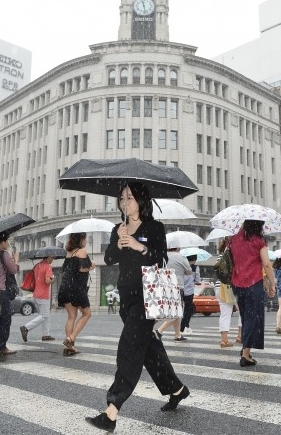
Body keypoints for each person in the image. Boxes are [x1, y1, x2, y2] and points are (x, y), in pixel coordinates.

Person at [85, 182, 189, 432]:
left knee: (129, 349)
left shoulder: (154, 228)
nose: (124, 203)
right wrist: (118, 245)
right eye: (121, 199)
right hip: (127, 298)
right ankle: (176, 389)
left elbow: (162, 257)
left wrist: (138, 245)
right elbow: (109, 259)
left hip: (148, 297)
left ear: (141, 201)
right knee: (148, 348)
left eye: (129, 198)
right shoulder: (117, 229)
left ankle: (112, 410)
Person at [229, 219, 276, 367]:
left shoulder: (234, 239)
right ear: (259, 226)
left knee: (245, 317)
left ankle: (245, 348)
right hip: (253, 283)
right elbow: (267, 264)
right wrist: (272, 284)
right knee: (253, 318)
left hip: (237, 283)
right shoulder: (258, 241)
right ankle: (245, 354)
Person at [57, 232, 94, 356]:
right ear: (81, 239)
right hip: (76, 287)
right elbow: (82, 268)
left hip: (65, 287)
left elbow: (65, 269)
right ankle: (70, 339)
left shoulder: (70, 253)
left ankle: (69, 347)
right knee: (87, 314)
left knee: (71, 317)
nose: (87, 241)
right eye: (85, 238)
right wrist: (91, 266)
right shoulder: (82, 251)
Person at [155, 247, 191, 341]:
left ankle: (177, 335)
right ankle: (159, 331)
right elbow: (189, 271)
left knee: (172, 312)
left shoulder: (162, 256)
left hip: (163, 286)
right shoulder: (181, 257)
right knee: (177, 313)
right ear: (178, 247)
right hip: (176, 287)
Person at [20, 256, 56, 342]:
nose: (53, 260)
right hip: (43, 295)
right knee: (44, 315)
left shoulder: (37, 266)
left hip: (36, 294)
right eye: (52, 258)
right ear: (48, 257)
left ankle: (46, 335)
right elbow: (47, 281)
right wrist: (53, 280)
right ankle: (26, 327)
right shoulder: (48, 266)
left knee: (44, 315)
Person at [216, 237, 242, 348]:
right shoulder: (235, 254)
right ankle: (240, 336)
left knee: (225, 313)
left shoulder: (220, 255)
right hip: (233, 285)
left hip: (219, 285)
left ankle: (224, 340)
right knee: (243, 311)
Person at [180, 254, 201, 335]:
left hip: (181, 289)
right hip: (189, 291)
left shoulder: (183, 266)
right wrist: (197, 282)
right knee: (188, 310)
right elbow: (197, 280)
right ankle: (185, 326)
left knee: (181, 308)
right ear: (195, 259)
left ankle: (183, 326)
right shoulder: (196, 268)